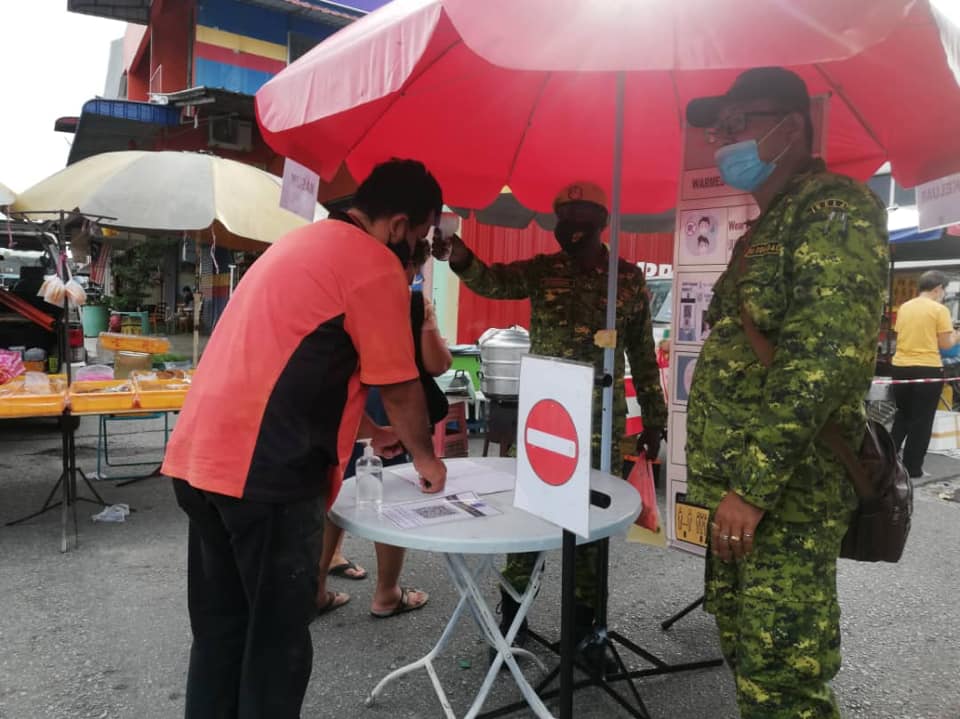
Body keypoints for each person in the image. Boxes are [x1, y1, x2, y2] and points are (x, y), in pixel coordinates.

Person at [161, 159, 448, 719]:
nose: (419, 251)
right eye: (420, 237)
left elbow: (300, 359)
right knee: (276, 646)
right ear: (396, 224)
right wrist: (426, 457)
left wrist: (372, 432)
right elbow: (401, 384)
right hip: (265, 475)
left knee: (222, 634)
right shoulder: (374, 265)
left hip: (199, 461)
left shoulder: (305, 244)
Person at [684, 67, 888, 718]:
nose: (723, 138)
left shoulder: (832, 209)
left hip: (784, 499)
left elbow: (820, 358)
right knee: (748, 658)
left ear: (790, 127)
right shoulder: (763, 230)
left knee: (783, 684)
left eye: (738, 123)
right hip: (739, 497)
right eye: (719, 128)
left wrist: (753, 488)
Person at [432, 182, 667, 665]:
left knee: (591, 527)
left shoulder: (626, 279)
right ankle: (511, 622)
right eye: (564, 216)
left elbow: (643, 353)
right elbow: (492, 281)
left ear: (601, 221)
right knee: (531, 515)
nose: (571, 226)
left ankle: (585, 633)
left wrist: (655, 419)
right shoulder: (543, 272)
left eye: (581, 216)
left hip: (601, 423)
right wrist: (457, 254)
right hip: (547, 420)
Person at [319, 238, 453, 618]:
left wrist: (426, 320)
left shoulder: (355, 292)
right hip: (392, 409)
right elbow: (431, 368)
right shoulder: (392, 301)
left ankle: (319, 583)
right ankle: (387, 593)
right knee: (390, 495)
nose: (412, 278)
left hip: (356, 409)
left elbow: (436, 363)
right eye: (413, 269)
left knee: (337, 491)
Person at [891, 270, 960, 477]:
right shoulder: (939, 310)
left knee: (902, 415)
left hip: (900, 366)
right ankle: (912, 468)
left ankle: (886, 460)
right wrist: (957, 335)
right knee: (922, 420)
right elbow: (946, 344)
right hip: (927, 367)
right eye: (943, 291)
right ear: (938, 288)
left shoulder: (905, 307)